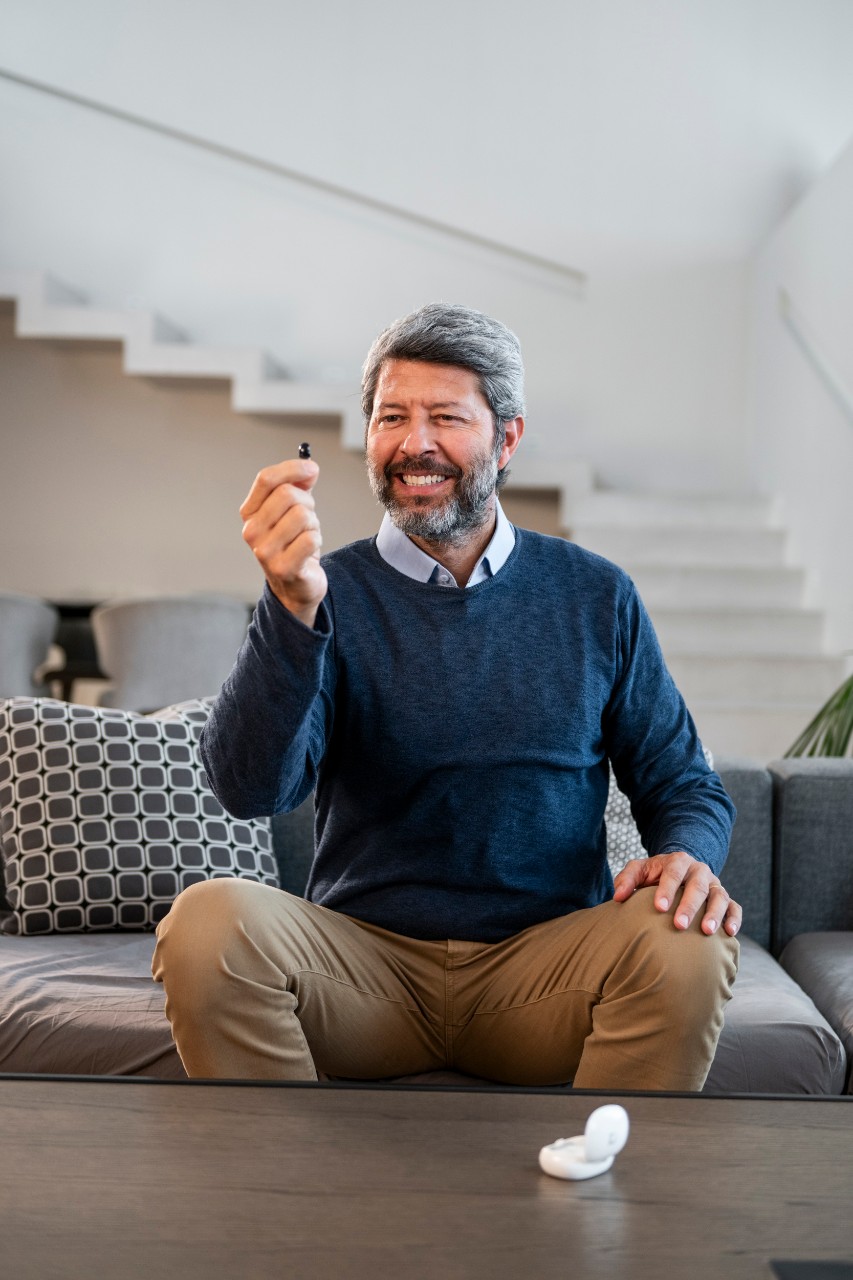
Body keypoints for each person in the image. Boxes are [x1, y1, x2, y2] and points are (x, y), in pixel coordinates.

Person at [153, 303, 740, 1091]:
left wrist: (686, 858)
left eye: (446, 418)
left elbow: (682, 784)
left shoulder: (595, 595)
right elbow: (249, 788)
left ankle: (599, 1170)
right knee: (204, 924)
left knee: (689, 936)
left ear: (506, 439)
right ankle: (288, 1169)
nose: (414, 443)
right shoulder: (324, 591)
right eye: (391, 417)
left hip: (545, 974)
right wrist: (290, 606)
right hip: (363, 974)